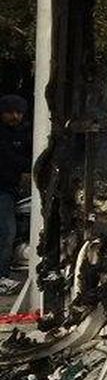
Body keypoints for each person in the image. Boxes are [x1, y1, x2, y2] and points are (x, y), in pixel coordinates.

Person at [0, 94, 27, 286]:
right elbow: (9, 159)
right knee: (7, 232)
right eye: (10, 112)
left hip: (9, 188)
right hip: (3, 189)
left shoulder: (21, 134)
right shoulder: (4, 135)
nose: (15, 116)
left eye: (19, 112)